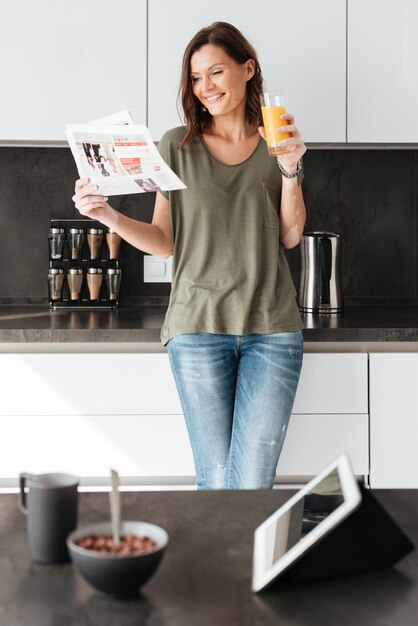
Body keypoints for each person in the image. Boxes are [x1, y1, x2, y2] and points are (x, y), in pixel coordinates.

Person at [72, 21, 307, 490]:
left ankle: (252, 566)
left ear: (248, 68)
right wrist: (108, 216)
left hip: (272, 327)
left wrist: (290, 170)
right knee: (216, 481)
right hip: (196, 328)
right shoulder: (177, 146)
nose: (206, 88)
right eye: (197, 79)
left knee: (254, 481)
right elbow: (164, 238)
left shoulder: (277, 142)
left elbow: (290, 235)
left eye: (216, 73)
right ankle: (222, 567)